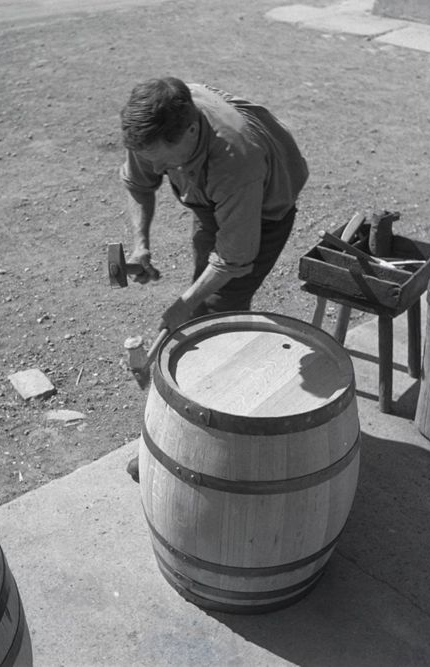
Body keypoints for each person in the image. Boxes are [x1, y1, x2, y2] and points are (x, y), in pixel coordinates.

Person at [119, 77, 309, 481]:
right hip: (213, 193)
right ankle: (192, 436)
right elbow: (139, 183)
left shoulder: (236, 159)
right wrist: (140, 246)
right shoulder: (153, 128)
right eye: (151, 159)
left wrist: (184, 306)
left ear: (191, 132)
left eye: (164, 163)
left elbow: (234, 259)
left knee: (214, 318)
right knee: (202, 313)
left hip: (266, 207)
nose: (157, 170)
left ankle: (214, 446)